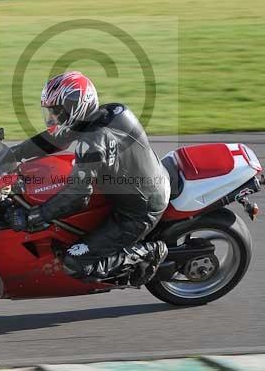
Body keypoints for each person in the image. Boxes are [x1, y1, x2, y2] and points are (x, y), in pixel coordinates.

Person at [9, 71, 169, 286]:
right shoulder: (110, 111)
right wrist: (13, 154)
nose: (52, 117)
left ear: (76, 106)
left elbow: (78, 196)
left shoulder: (93, 143)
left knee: (75, 262)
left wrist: (35, 217)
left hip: (137, 211)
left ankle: (149, 252)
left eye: (57, 111)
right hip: (146, 181)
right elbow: (55, 140)